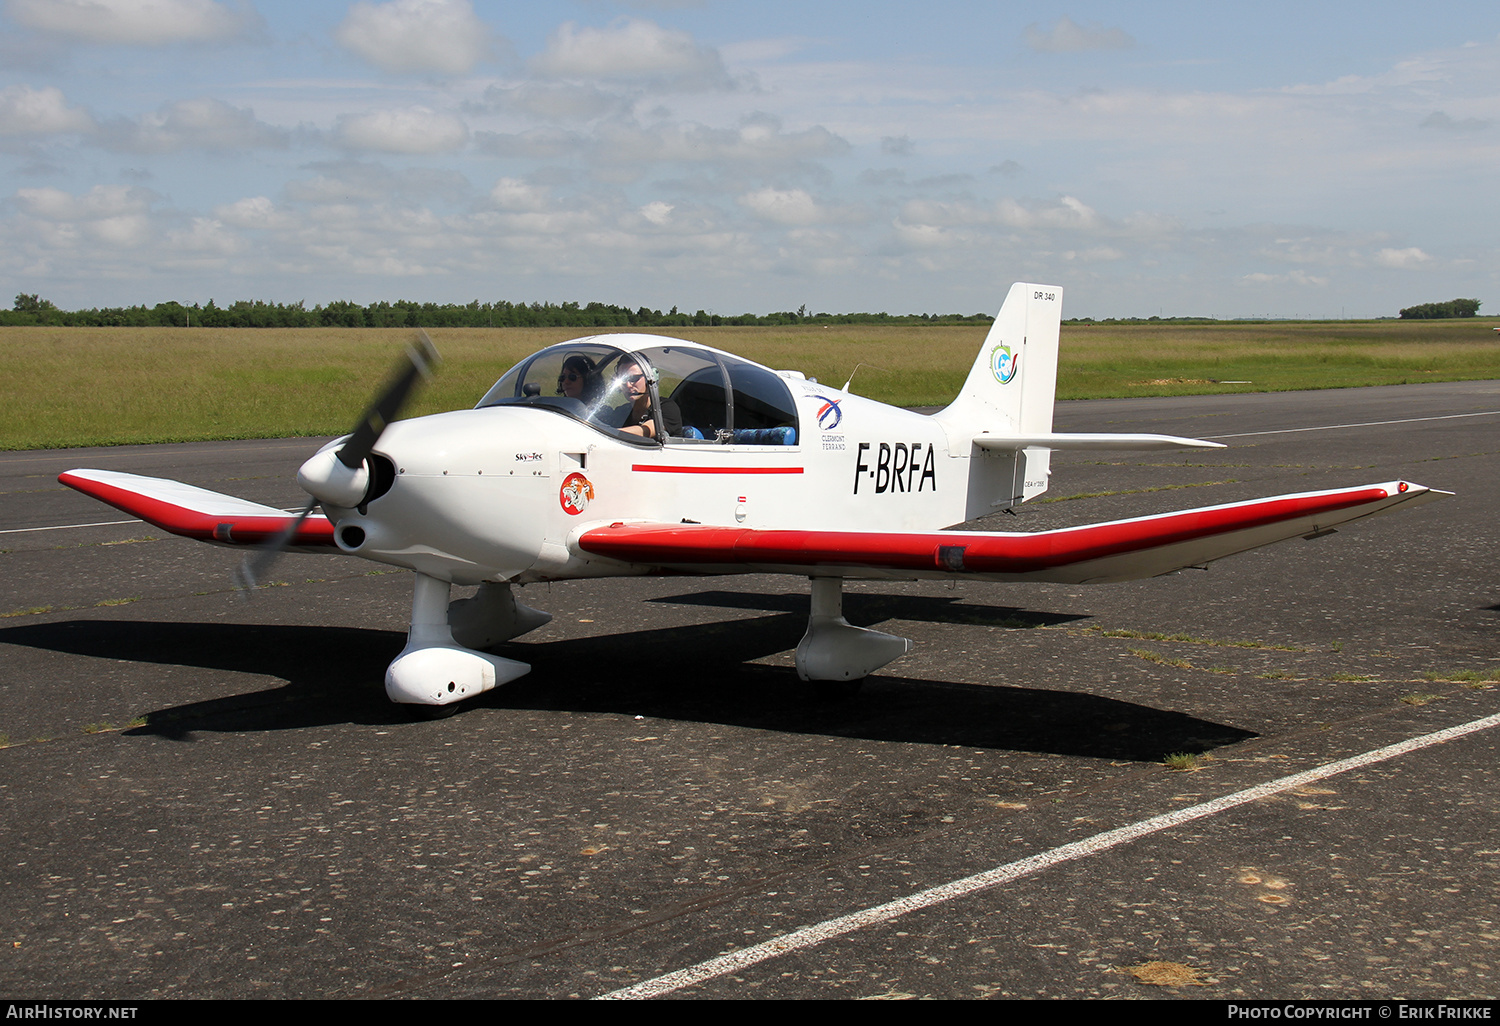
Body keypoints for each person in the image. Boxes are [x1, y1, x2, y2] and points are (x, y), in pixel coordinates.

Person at [613, 357, 681, 438]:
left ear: (649, 378)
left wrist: (610, 432)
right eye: (623, 379)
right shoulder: (621, 411)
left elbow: (646, 430)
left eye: (634, 378)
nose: (628, 385)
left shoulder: (666, 408)